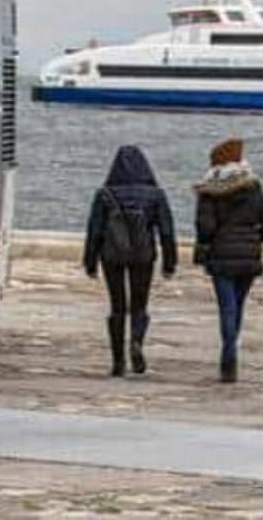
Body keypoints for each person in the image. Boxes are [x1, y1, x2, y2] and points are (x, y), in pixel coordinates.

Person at [83, 145, 177, 377]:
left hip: (112, 255)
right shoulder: (155, 195)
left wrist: (90, 262)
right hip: (143, 255)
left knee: (117, 307)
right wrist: (169, 263)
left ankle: (118, 362)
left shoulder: (105, 194)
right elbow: (166, 231)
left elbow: (94, 230)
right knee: (140, 304)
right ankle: (136, 341)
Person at [193, 138, 263, 383]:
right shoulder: (254, 189)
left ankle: (228, 353)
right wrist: (255, 239)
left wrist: (208, 242)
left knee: (226, 307)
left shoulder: (210, 191)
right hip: (249, 257)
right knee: (238, 306)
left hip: (221, 255)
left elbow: (205, 227)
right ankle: (232, 348)